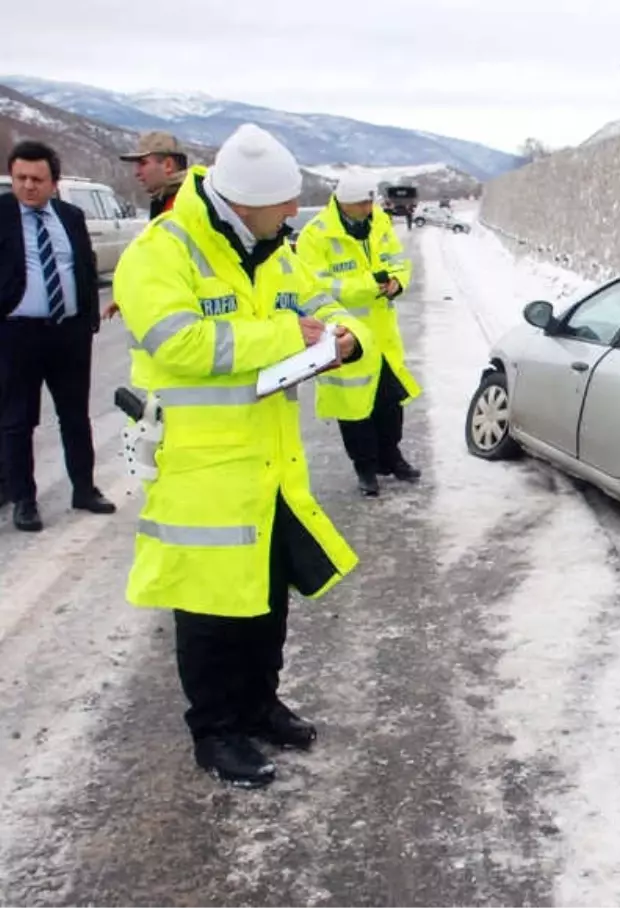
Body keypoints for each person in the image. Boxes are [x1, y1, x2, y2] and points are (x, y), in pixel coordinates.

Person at [112, 123, 376, 788]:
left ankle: (260, 707)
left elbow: (330, 306)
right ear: (245, 202)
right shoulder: (162, 250)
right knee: (208, 612)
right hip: (200, 470)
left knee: (266, 599)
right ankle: (216, 732)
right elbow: (182, 345)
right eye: (284, 204)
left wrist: (345, 338)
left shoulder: (276, 248)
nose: (295, 215)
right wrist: (284, 335)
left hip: (270, 464)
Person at [0, 140, 116, 532]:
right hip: (17, 333)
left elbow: (85, 266)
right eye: (21, 178)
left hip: (68, 334)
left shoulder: (70, 215)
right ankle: (24, 500)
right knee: (18, 420)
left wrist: (86, 321)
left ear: (54, 182)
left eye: (37, 179)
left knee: (74, 416)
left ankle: (84, 489)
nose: (28, 186)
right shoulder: (0, 215)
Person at [296, 172, 422, 496]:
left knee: (390, 403)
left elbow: (397, 260)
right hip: (345, 335)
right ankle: (365, 468)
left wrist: (396, 282)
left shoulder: (379, 222)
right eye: (362, 204)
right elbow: (317, 287)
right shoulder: (316, 235)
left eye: (371, 202)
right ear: (343, 203)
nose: (369, 209)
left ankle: (391, 458)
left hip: (382, 335)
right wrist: (371, 286)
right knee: (354, 410)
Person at [102, 131, 190, 322]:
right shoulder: (164, 201)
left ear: (167, 165)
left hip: (188, 315)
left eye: (143, 163)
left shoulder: (189, 203)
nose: (137, 173)